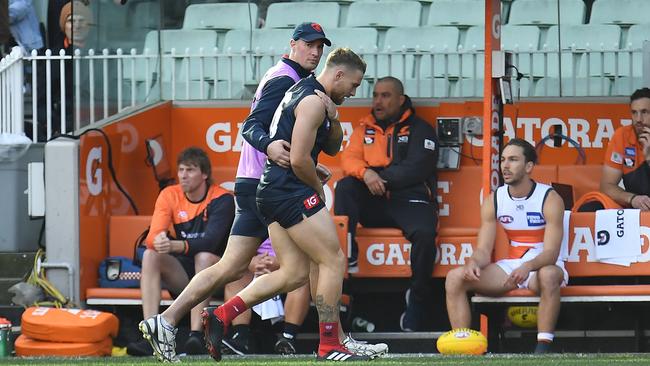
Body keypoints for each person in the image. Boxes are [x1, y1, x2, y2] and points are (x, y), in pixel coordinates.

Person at [139, 23, 386, 362]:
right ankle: (334, 340)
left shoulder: (299, 82)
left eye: (319, 47)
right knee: (323, 259)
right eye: (308, 45)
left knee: (257, 268)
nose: (314, 52)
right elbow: (252, 126)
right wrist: (273, 149)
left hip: (262, 182)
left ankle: (169, 320)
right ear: (293, 45)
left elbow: (314, 140)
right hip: (269, 181)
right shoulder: (285, 78)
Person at [201, 47, 369, 362]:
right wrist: (317, 191)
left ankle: (223, 314)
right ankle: (330, 344)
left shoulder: (315, 98)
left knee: (293, 274)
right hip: (288, 190)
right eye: (354, 85)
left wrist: (334, 118)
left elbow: (330, 149)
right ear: (338, 74)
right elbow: (299, 160)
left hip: (273, 189)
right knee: (332, 260)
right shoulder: (310, 101)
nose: (354, 91)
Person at [334, 76, 439, 332]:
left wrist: (379, 177)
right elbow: (348, 160)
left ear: (400, 100)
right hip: (376, 201)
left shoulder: (421, 129)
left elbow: (417, 168)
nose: (378, 101)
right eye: (376, 95)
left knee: (426, 235)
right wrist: (366, 174)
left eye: (385, 95)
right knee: (346, 186)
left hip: (409, 199)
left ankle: (417, 300)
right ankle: (346, 261)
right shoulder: (364, 129)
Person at [445, 138, 566, 353]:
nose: (505, 166)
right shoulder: (495, 199)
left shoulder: (549, 197)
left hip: (542, 267)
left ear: (529, 167)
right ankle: (464, 348)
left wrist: (527, 267)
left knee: (548, 275)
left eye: (513, 160)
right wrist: (473, 261)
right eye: (502, 160)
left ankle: (542, 348)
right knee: (455, 277)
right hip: (512, 267)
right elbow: (484, 249)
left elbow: (551, 253)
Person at [128, 147, 234, 356]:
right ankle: (152, 333)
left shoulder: (222, 198)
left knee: (203, 257)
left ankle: (197, 334)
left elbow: (211, 242)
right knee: (150, 255)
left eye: (190, 170)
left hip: (219, 276)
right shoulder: (169, 194)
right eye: (181, 170)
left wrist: (178, 245)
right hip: (185, 276)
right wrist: (159, 241)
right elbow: (152, 237)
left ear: (204, 174)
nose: (183, 176)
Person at [575, 87, 650, 212]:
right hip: (635, 205)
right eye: (634, 113)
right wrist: (633, 199)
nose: (638, 119)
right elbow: (607, 186)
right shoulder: (622, 136)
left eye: (644, 112)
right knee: (589, 209)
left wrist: (648, 158)